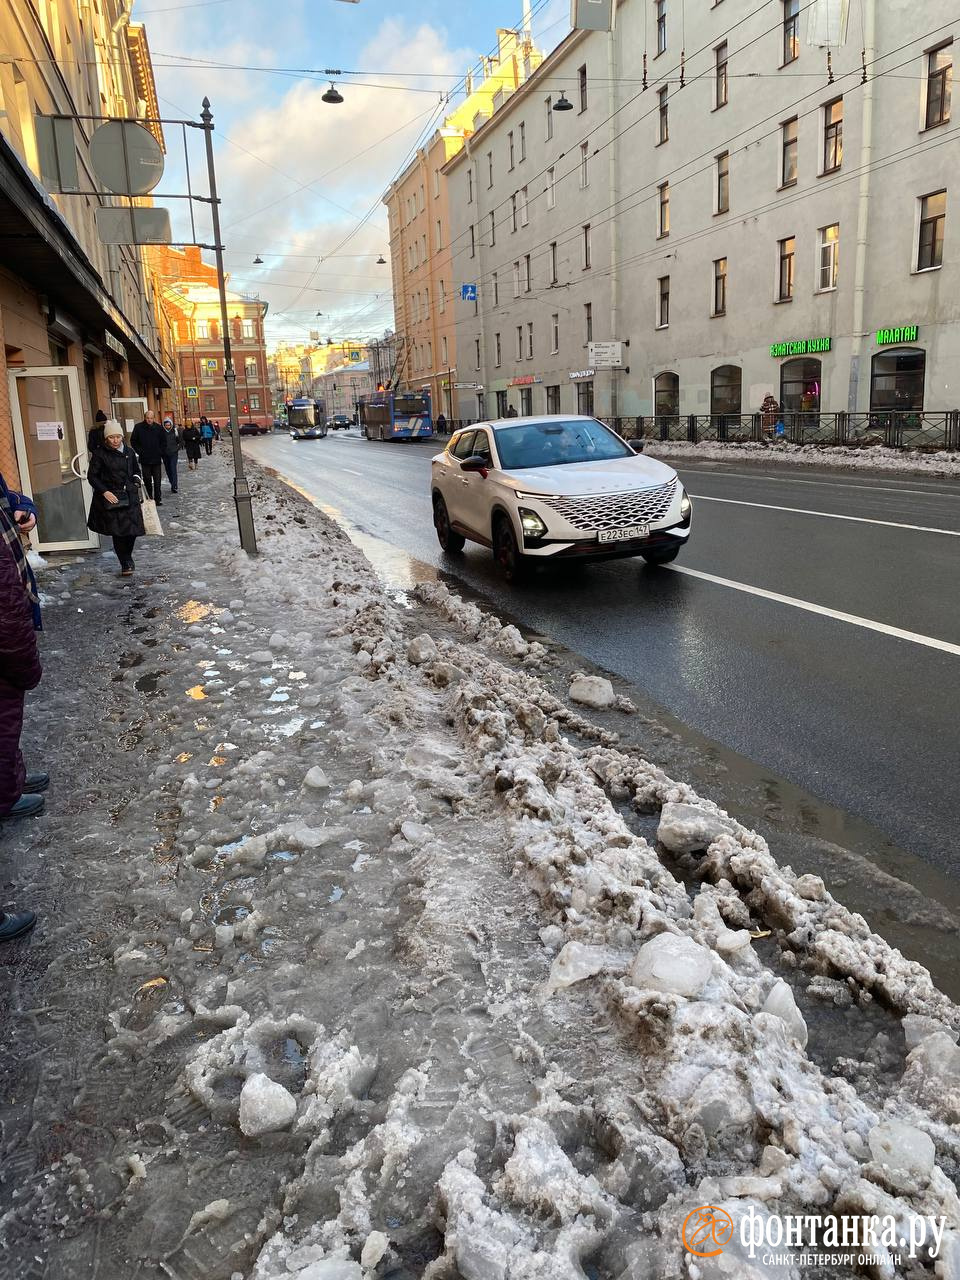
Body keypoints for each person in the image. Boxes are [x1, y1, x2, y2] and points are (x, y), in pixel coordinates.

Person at [87, 419, 145, 575]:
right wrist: (104, 491)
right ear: (106, 438)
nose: (115, 440)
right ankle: (126, 562)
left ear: (122, 437)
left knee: (132, 531)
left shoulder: (129, 452)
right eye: (111, 437)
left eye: (118, 437)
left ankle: (127, 556)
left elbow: (136, 471)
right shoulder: (100, 454)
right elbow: (92, 476)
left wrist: (136, 482)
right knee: (118, 532)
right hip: (112, 498)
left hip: (130, 496)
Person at [131, 409, 165, 506]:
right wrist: (140, 451)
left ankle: (158, 499)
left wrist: (160, 452)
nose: (149, 420)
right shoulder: (138, 427)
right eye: (147, 418)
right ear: (145, 418)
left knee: (157, 480)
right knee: (147, 480)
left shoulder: (159, 428)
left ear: (154, 418)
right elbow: (133, 441)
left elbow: (163, 442)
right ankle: (149, 497)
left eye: (151, 418)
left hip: (156, 458)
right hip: (145, 459)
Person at [161, 417, 180, 494]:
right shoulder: (161, 432)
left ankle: (174, 485)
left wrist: (177, 448)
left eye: (169, 425)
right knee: (168, 469)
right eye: (166, 425)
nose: (168, 426)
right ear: (164, 425)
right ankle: (171, 482)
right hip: (165, 454)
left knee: (173, 468)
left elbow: (179, 441)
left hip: (173, 453)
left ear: (171, 425)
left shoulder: (174, 431)